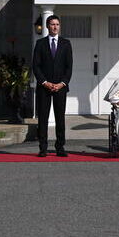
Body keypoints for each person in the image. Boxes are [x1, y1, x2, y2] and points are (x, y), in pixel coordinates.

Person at [32, 15, 73, 157]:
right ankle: (43, 148)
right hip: (44, 87)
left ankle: (60, 147)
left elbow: (69, 67)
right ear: (47, 26)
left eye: (57, 24)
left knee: (59, 118)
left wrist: (61, 84)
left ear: (59, 26)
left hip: (60, 88)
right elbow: (36, 66)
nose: (55, 27)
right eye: (52, 24)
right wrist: (45, 82)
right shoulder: (40, 44)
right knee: (43, 118)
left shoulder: (66, 44)